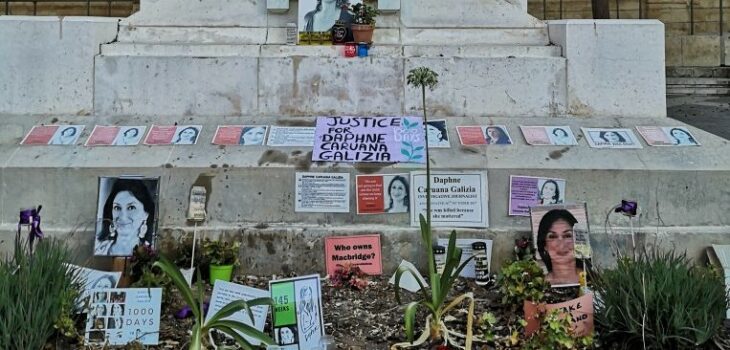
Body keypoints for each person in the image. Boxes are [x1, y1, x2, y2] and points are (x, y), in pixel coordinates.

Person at [95, 179, 156, 256]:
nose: (123, 217)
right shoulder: (98, 248)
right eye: (117, 208)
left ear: (146, 214)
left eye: (131, 207)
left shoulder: (152, 254)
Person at [536, 209, 583, 286]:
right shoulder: (539, 286)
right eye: (552, 237)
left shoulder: (594, 282)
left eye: (567, 236)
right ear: (544, 245)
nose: (561, 245)